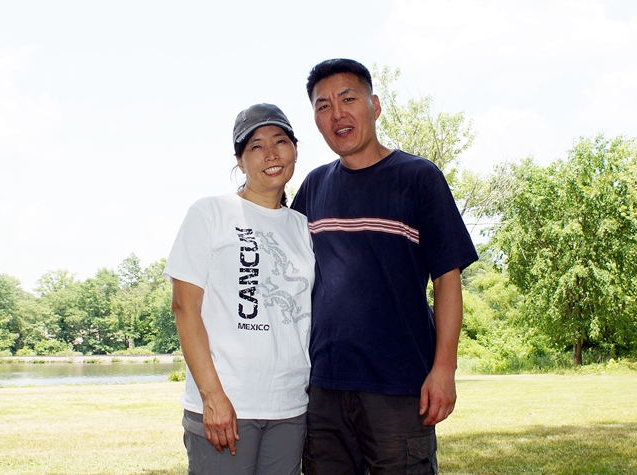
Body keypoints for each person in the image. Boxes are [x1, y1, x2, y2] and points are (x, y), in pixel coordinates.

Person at [291, 59, 478, 475]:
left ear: (374, 106)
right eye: (323, 106)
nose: (337, 114)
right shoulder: (314, 187)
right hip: (322, 391)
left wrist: (444, 368)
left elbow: (447, 279)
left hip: (398, 387)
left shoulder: (418, 177)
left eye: (348, 99)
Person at [163, 103, 314, 475]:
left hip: (289, 406)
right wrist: (212, 396)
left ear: (295, 150)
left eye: (280, 141)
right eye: (256, 146)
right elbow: (184, 307)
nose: (271, 154)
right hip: (226, 406)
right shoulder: (209, 213)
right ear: (240, 161)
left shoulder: (302, 226)